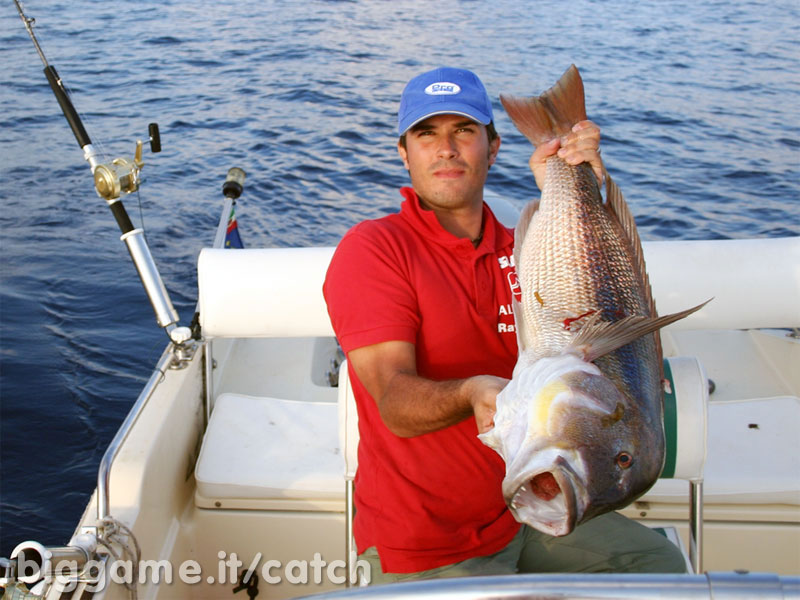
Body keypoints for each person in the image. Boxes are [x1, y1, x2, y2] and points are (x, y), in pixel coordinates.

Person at [323, 66, 686, 584]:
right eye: (426, 134)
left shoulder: (526, 248)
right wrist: (471, 392)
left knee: (660, 570)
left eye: (463, 131)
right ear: (404, 153)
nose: (446, 149)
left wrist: (576, 174)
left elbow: (602, 308)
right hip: (429, 541)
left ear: (493, 148)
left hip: (528, 499)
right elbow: (393, 401)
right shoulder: (375, 249)